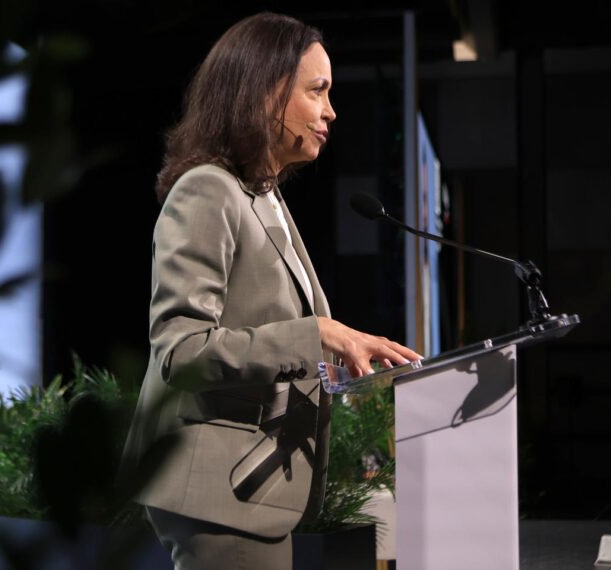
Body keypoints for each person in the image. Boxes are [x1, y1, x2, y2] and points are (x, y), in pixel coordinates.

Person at [121, 12, 422, 570]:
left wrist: (340, 359)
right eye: (317, 91)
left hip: (245, 491)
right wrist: (316, 335)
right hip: (217, 494)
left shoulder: (263, 196)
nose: (330, 111)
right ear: (265, 93)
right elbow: (181, 350)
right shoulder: (208, 191)